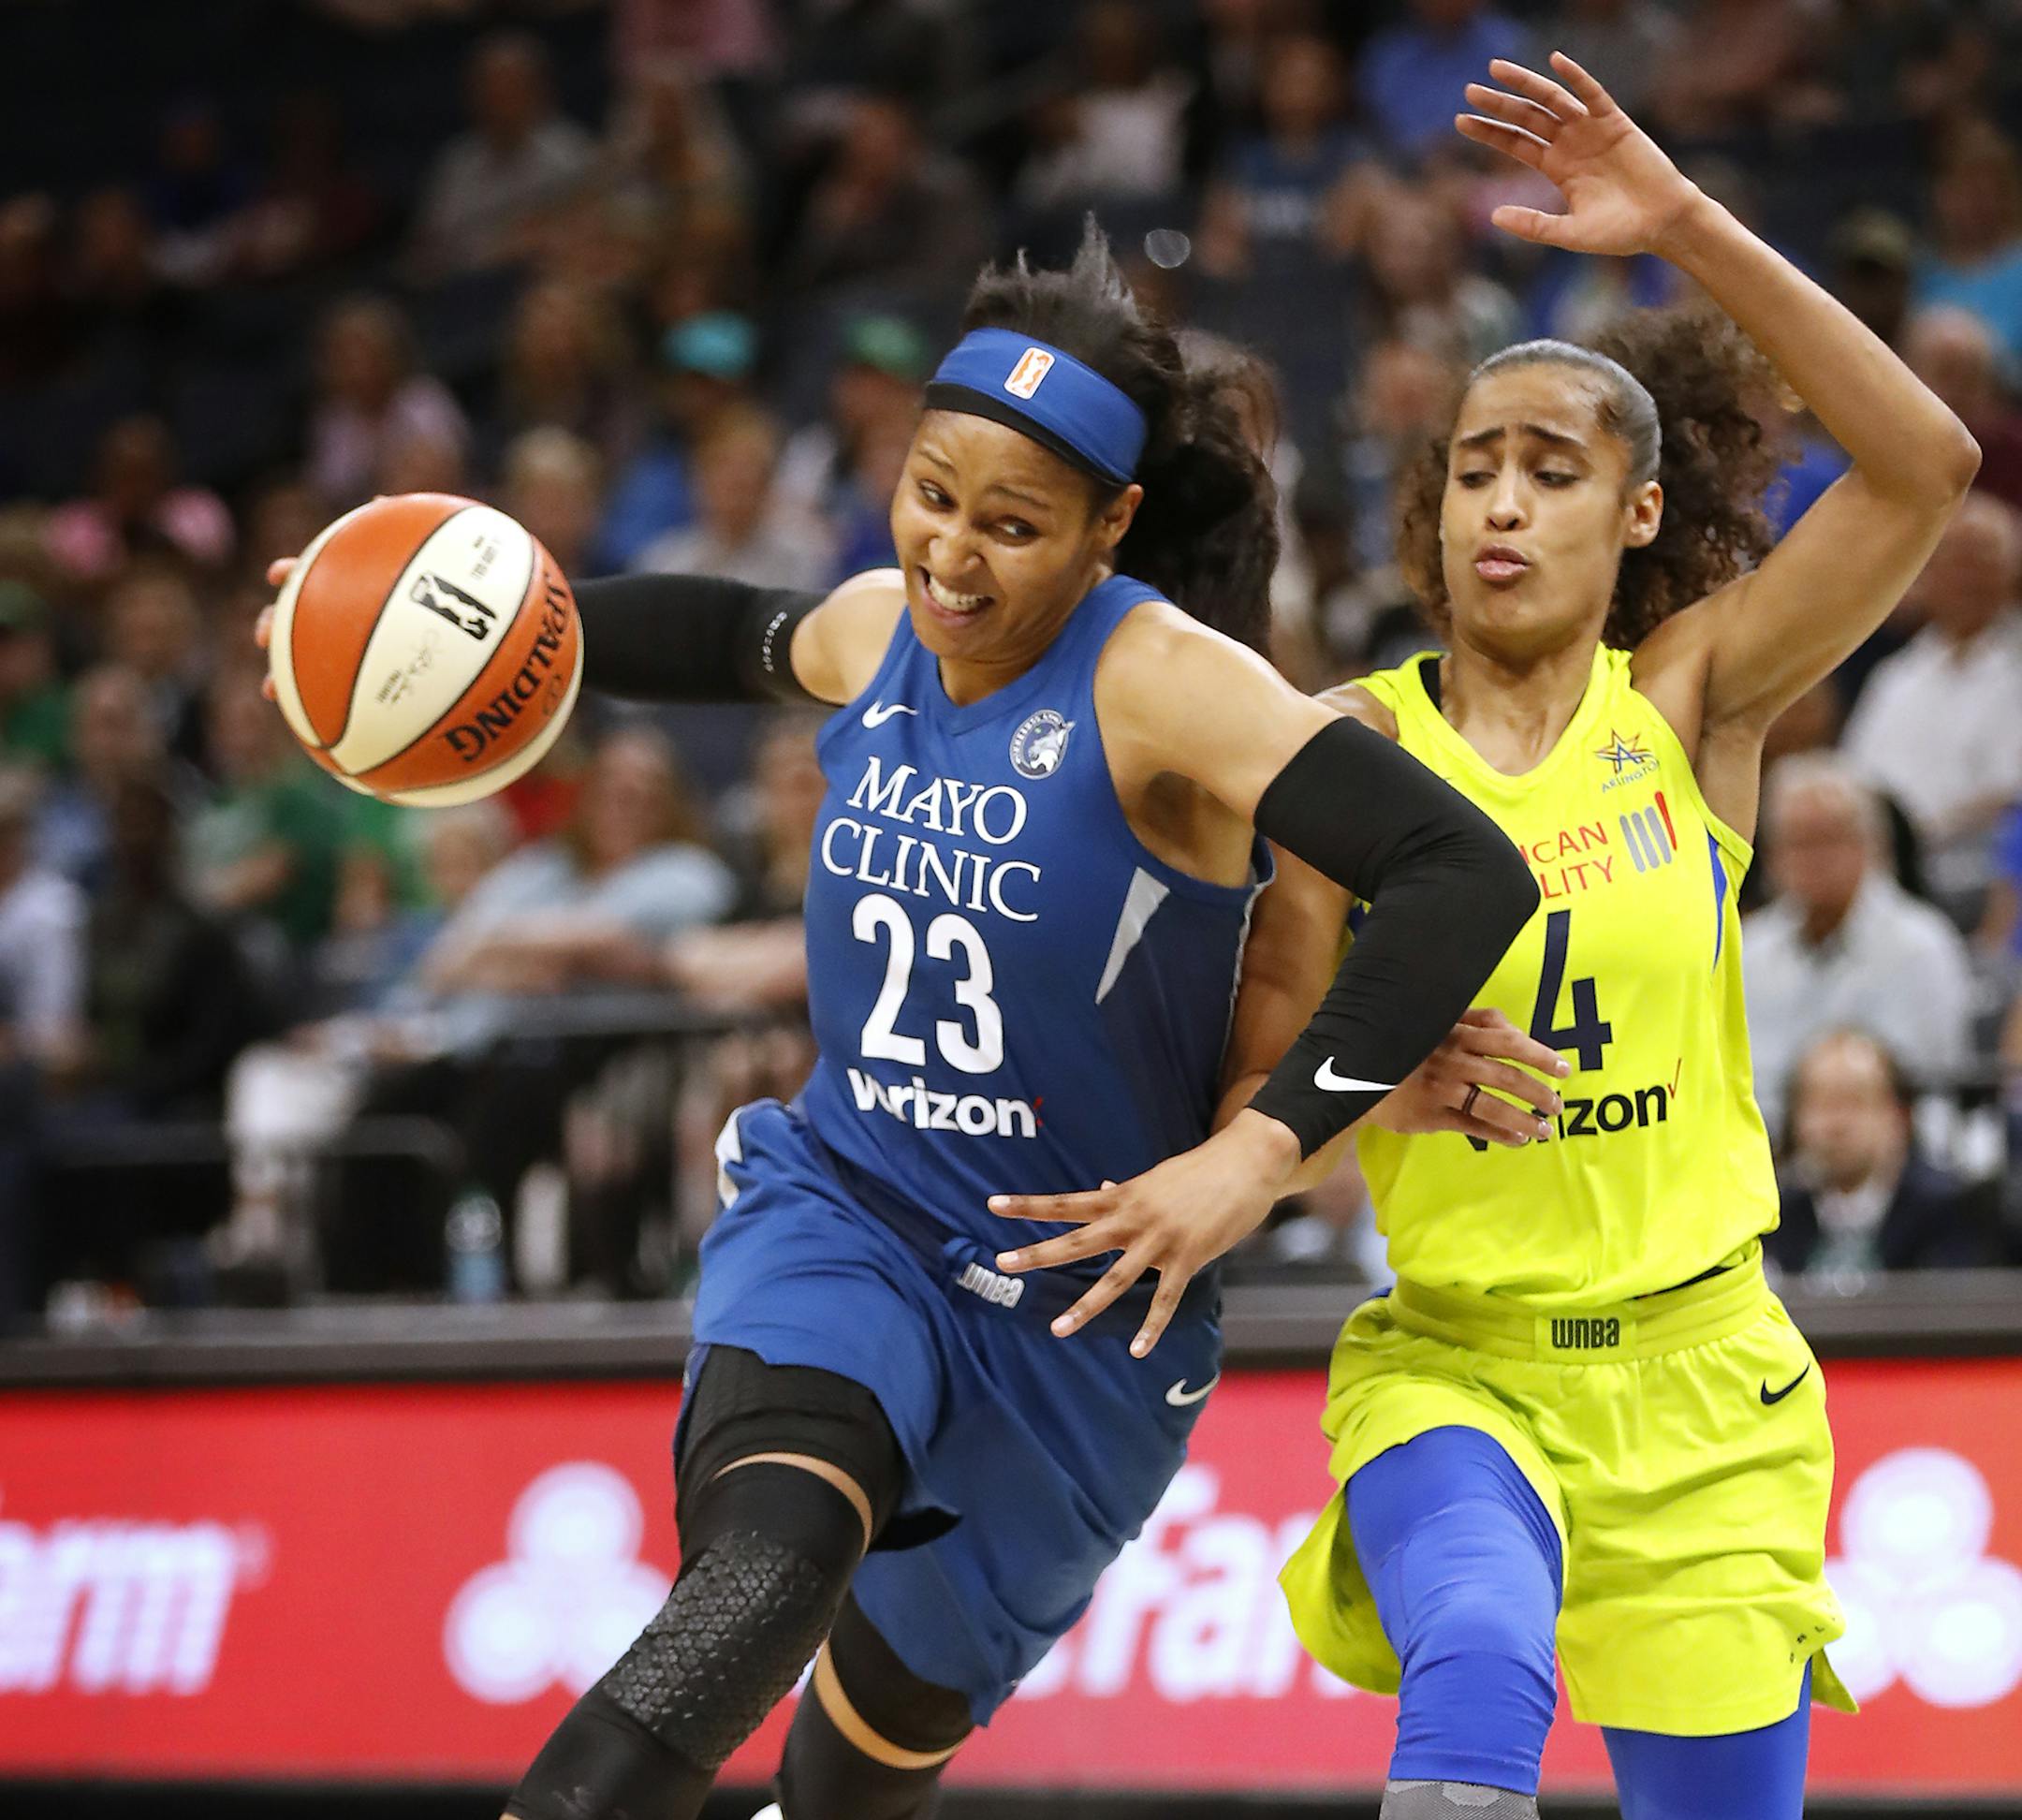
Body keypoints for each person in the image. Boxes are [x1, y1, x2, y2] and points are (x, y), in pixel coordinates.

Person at [264, 227, 1537, 1819]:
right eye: (932, 495)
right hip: (852, 1214)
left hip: (1081, 1316)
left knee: (851, 1789)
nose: (950, 555)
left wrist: (1264, 1149)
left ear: (1108, 526)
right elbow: (683, 632)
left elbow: (1460, 869)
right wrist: (398, 627)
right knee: (763, 1572)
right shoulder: (877, 630)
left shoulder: (1168, 685)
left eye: (1010, 525)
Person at [992, 55, 1981, 1820]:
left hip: (1706, 1384)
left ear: (1640, 511)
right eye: (1474, 471)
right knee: (1478, 1649)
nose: (1504, 505)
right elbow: (1268, 1133)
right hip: (1460, 1365)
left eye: (1551, 470)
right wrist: (1375, 1087)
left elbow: (1926, 465)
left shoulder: (1688, 701)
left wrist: (1682, 222)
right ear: (1434, 508)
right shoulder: (1344, 751)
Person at [1744, 755, 1973, 1132]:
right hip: (1770, 1156)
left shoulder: (1921, 946)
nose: (1815, 859)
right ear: (1771, 856)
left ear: (1873, 843)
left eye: (1830, 838)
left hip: (1893, 1157)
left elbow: (1935, 1092)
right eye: (1798, 842)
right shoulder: (1748, 951)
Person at [1769, 1027, 2000, 1280]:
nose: (1836, 1124)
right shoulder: (1774, 1216)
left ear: (1899, 1115)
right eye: (1819, 1104)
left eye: (1854, 1102)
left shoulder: (1950, 1212)